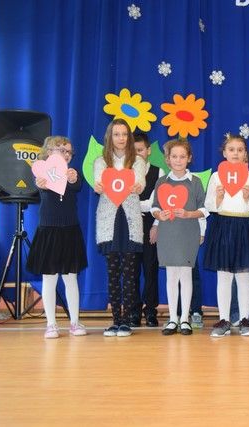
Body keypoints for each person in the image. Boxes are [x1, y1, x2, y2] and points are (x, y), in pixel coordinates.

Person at [27, 136, 88, 339]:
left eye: (69, 151)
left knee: (71, 278)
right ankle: (51, 324)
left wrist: (73, 178)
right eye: (61, 150)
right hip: (49, 231)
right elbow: (40, 186)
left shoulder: (72, 172)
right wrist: (41, 184)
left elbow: (77, 185)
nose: (66, 154)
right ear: (48, 152)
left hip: (70, 230)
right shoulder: (41, 172)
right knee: (49, 279)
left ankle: (74, 322)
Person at [204, 134, 249, 337]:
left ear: (245, 153)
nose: (236, 153)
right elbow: (209, 205)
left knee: (244, 276)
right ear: (224, 153)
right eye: (231, 149)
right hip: (223, 225)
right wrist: (218, 198)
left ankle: (245, 318)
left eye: (240, 150)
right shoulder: (216, 176)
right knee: (224, 276)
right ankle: (224, 319)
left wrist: (248, 198)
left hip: (244, 226)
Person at [94, 119, 146, 337]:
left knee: (130, 274)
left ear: (129, 137)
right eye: (116, 134)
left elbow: (140, 183)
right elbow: (99, 183)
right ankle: (115, 320)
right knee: (113, 273)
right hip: (109, 222)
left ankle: (126, 321)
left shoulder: (137, 161)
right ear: (110, 137)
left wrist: (138, 186)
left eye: (124, 134)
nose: (121, 138)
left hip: (130, 220)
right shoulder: (100, 161)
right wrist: (98, 186)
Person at [151, 139, 206, 336]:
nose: (178, 160)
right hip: (168, 233)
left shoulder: (195, 182)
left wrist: (190, 214)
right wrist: (159, 215)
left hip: (188, 233)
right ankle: (173, 318)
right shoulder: (161, 182)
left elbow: (204, 209)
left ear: (189, 158)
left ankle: (184, 319)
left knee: (186, 274)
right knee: (171, 276)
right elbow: (154, 206)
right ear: (167, 159)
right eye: (174, 156)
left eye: (182, 156)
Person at [132, 131, 163, 327]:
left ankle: (150, 310)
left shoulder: (158, 173)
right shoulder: (126, 173)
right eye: (133, 151)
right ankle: (133, 311)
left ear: (148, 150)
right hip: (130, 226)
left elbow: (156, 203)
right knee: (132, 270)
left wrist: (156, 225)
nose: (137, 154)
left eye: (141, 150)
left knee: (151, 270)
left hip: (151, 225)